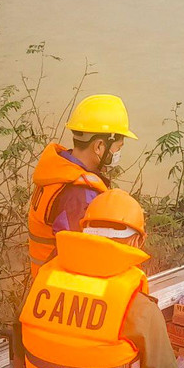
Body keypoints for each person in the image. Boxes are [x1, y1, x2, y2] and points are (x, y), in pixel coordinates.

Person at [16, 189, 184, 368]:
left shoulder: (43, 282)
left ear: (84, 231)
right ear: (138, 240)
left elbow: (20, 361)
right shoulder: (139, 307)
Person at [24, 94, 136, 279]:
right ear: (99, 146)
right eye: (118, 147)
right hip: (62, 291)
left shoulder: (59, 170)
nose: (118, 153)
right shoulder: (79, 193)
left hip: (46, 285)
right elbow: (78, 257)